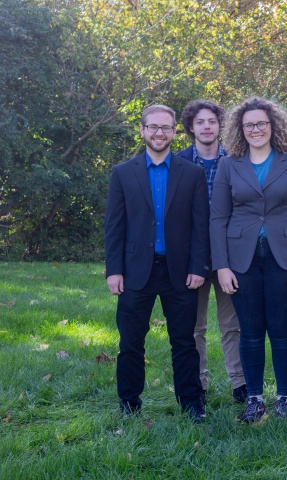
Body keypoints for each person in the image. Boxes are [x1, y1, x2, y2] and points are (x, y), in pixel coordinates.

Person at [210, 97, 287, 422]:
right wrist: (221, 266)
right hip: (241, 259)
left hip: (285, 257)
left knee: (282, 330)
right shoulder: (229, 163)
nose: (256, 129)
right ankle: (254, 399)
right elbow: (218, 218)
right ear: (240, 129)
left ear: (274, 126)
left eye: (262, 124)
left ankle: (284, 398)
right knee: (251, 331)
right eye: (249, 125)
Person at [105, 104, 210, 423]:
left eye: (166, 127)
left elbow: (200, 226)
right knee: (131, 343)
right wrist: (114, 270)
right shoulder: (123, 173)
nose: (159, 133)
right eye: (153, 127)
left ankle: (191, 403)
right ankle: (128, 403)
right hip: (135, 270)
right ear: (142, 130)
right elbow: (114, 225)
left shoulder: (192, 173)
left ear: (175, 131)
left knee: (184, 342)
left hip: (180, 272)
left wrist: (198, 267)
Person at [177, 100, 247, 405]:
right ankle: (198, 384)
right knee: (194, 326)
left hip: (228, 253)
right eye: (200, 122)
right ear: (191, 127)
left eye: (213, 122)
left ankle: (240, 384)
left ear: (220, 126)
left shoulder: (236, 159)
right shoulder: (178, 162)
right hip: (191, 254)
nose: (207, 127)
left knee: (233, 324)